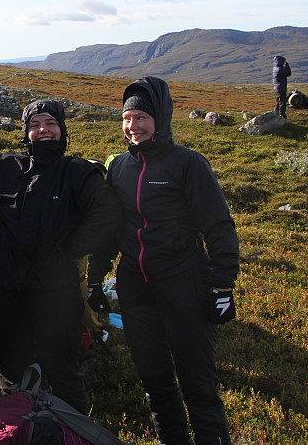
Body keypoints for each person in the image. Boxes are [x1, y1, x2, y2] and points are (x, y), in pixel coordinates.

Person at [0, 99, 121, 415]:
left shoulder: (76, 172)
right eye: (35, 125)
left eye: (50, 124)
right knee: (12, 372)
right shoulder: (2, 166)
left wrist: (70, 250)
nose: (43, 130)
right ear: (26, 132)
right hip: (3, 286)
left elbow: (108, 212)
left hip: (55, 290)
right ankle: (19, 427)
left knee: (63, 370)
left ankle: (72, 431)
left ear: (61, 130)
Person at [99, 76, 239, 445]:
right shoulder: (120, 169)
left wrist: (222, 286)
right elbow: (113, 230)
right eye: (127, 118)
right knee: (156, 385)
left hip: (185, 285)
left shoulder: (188, 164)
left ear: (160, 117)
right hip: (136, 289)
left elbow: (219, 227)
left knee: (199, 387)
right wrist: (97, 276)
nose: (133, 126)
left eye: (141, 117)